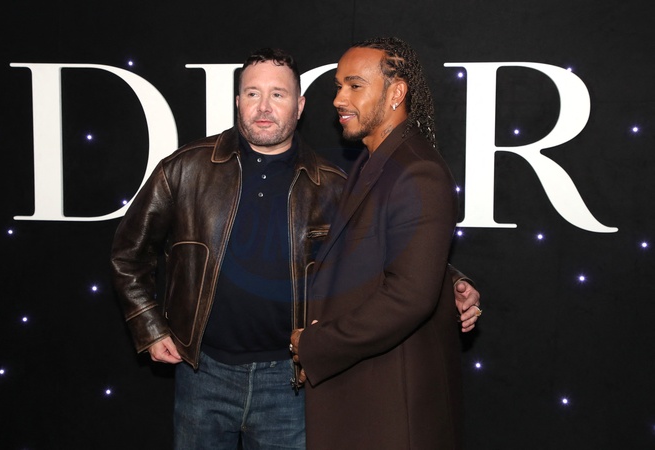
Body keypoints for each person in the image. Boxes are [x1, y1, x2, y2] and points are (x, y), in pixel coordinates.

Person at [111, 47, 480, 450]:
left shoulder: (332, 183)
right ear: (237, 101)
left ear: (300, 106)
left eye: (278, 94)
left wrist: (451, 282)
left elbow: (386, 246)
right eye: (253, 93)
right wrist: (150, 327)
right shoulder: (185, 168)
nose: (264, 106)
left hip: (288, 381)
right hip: (203, 374)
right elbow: (129, 253)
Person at [291, 37, 467, 449]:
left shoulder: (417, 170)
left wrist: (317, 345)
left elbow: (409, 297)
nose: (339, 99)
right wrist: (452, 277)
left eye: (355, 85)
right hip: (366, 395)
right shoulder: (375, 160)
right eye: (339, 86)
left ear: (396, 93)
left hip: (391, 407)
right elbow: (391, 254)